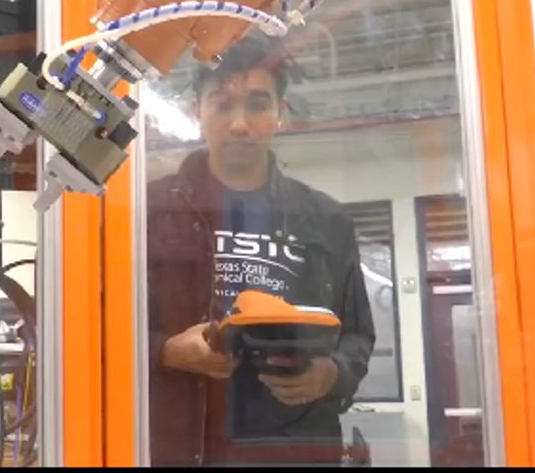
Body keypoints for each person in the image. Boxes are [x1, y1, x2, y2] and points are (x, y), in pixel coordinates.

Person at [146, 36, 376, 466]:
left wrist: (331, 374)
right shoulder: (149, 212)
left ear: (279, 113)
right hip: (181, 446)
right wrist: (165, 352)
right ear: (197, 111)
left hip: (293, 447)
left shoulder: (325, 219)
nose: (239, 124)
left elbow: (357, 335)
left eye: (256, 104)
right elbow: (104, 330)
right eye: (222, 104)